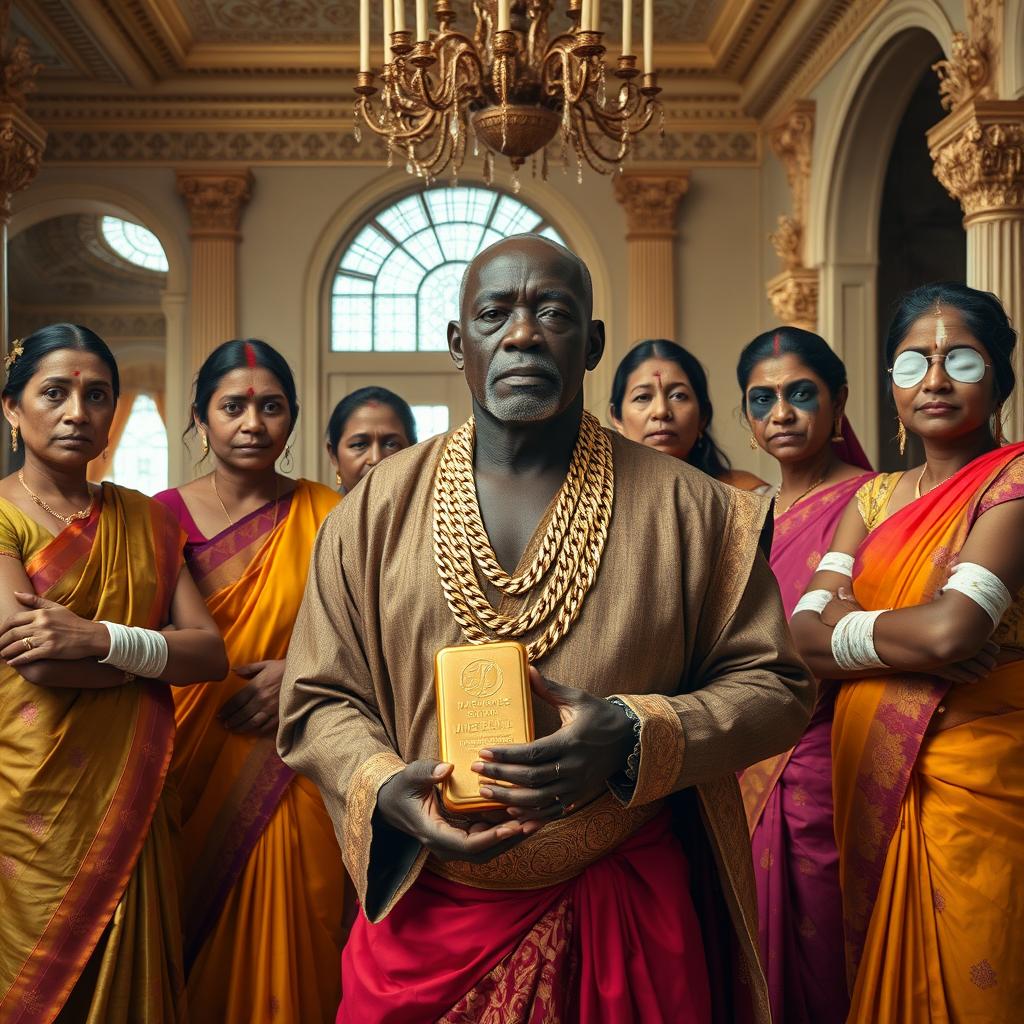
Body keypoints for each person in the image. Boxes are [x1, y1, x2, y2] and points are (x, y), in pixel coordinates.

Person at [278, 235, 814, 1023]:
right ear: (460, 344)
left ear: (592, 341)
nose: (523, 333)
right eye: (495, 313)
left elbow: (777, 686)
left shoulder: (692, 509)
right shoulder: (372, 510)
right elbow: (318, 699)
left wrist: (634, 733)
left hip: (623, 908)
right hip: (428, 926)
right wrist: (388, 786)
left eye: (553, 311)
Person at [789, 283, 1024, 1022]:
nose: (935, 380)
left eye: (961, 359)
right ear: (889, 383)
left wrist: (853, 623)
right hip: (870, 782)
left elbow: (953, 633)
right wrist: (909, 640)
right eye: (912, 363)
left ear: (1001, 379)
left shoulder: (1014, 482)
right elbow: (798, 639)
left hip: (979, 783)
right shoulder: (870, 499)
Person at [0, 323, 226, 1023]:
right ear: (12, 408)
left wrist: (95, 637)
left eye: (97, 395)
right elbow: (34, 659)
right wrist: (147, 661)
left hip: (133, 795)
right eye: (55, 393)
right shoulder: (3, 516)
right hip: (31, 804)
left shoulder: (147, 521)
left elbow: (210, 656)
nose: (77, 412)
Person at [153, 339, 345, 1024]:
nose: (252, 424)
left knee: (300, 955)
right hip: (175, 768)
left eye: (271, 407)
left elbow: (384, 641)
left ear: (293, 417)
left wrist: (305, 675)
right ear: (200, 419)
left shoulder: (331, 516)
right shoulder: (153, 519)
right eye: (232, 407)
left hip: (294, 766)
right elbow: (130, 642)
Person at [735, 327, 874, 1024]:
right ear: (746, 419)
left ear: (839, 399)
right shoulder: (743, 514)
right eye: (763, 399)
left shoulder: (877, 501)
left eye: (800, 394)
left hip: (826, 754)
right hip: (738, 758)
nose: (781, 412)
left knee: (823, 951)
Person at [609, 338, 768, 491]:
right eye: (642, 397)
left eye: (678, 396)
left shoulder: (747, 498)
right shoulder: (598, 501)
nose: (661, 411)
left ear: (703, 415)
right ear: (617, 418)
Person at [325, 386, 417, 492]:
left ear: (414, 453)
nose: (376, 459)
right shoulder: (322, 508)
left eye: (391, 444)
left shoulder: (435, 506)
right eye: (359, 445)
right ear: (334, 455)